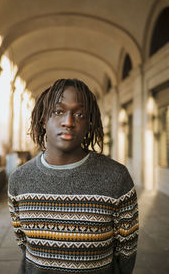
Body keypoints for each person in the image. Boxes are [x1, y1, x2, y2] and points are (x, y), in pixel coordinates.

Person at [8, 78, 139, 274]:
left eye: (79, 114)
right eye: (58, 111)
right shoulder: (19, 179)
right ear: (44, 120)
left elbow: (127, 252)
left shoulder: (117, 177)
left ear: (89, 123)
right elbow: (24, 244)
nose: (68, 122)